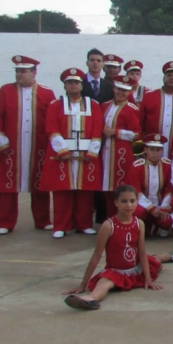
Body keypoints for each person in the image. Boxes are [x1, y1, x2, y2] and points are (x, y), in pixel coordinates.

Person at [63, 185, 173, 311]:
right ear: (116, 202)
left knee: (156, 262)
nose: (129, 205)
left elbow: (142, 253)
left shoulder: (139, 224)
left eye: (132, 201)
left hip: (135, 269)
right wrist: (83, 284)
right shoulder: (108, 226)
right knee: (103, 283)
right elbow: (96, 256)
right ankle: (90, 299)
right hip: (115, 272)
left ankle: (167, 256)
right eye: (124, 201)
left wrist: (148, 280)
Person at [0, 55, 56, 234]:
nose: (19, 74)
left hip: (38, 146)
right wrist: (1, 142)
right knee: (8, 184)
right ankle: (4, 222)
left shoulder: (46, 92)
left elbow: (53, 120)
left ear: (34, 72)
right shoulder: (5, 91)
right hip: (12, 146)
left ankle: (42, 220)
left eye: (23, 71)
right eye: (17, 71)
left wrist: (53, 143)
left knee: (40, 184)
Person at [41, 68, 104, 239]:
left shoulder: (93, 105)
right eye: (69, 82)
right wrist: (61, 150)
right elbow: (51, 128)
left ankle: (84, 224)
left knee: (85, 191)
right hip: (63, 153)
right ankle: (61, 225)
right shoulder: (55, 105)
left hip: (86, 153)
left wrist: (93, 150)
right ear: (65, 85)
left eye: (76, 82)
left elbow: (98, 129)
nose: (73, 85)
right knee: (62, 190)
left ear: (82, 85)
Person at [100, 77, 142, 216]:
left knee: (121, 185)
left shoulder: (131, 109)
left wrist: (116, 132)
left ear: (129, 92)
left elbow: (136, 134)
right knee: (105, 186)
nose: (121, 93)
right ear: (114, 89)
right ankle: (109, 217)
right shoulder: (104, 106)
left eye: (125, 91)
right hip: (105, 151)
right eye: (119, 89)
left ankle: (123, 217)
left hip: (121, 153)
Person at [140, 61, 173, 159]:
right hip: (150, 147)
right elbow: (140, 123)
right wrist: (139, 147)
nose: (172, 78)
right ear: (163, 77)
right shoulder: (149, 96)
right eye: (169, 75)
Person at [131, 134, 173, 237]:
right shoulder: (137, 166)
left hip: (161, 205)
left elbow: (170, 188)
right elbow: (136, 191)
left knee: (166, 221)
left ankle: (159, 226)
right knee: (137, 212)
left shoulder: (168, 165)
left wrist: (165, 207)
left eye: (158, 150)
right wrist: (151, 208)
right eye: (152, 149)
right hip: (143, 206)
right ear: (146, 150)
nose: (155, 153)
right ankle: (144, 227)